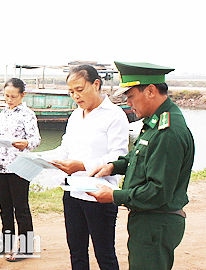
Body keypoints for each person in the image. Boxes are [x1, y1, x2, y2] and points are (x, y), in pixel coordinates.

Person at [88, 62, 195, 270]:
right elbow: (137, 158)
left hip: (156, 222)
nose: (129, 104)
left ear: (151, 91)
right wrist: (112, 167)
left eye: (130, 97)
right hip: (148, 220)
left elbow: (158, 191)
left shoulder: (168, 132)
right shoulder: (154, 122)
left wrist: (114, 196)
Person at [52, 65, 129, 269]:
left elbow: (117, 157)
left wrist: (81, 166)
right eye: (71, 92)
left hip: (99, 194)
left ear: (96, 84)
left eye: (79, 89)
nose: (75, 96)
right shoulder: (76, 115)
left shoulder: (115, 115)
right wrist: (48, 160)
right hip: (73, 192)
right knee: (76, 252)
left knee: (104, 254)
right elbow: (65, 147)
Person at [0, 78, 41, 261]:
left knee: (20, 208)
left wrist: (26, 143)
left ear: (22, 95)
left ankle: (26, 248)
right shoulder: (3, 113)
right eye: (6, 96)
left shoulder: (27, 114)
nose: (9, 99)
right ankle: (6, 244)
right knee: (4, 208)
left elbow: (36, 140)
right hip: (1, 166)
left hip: (19, 167)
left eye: (13, 96)